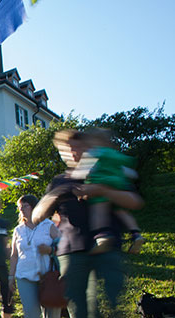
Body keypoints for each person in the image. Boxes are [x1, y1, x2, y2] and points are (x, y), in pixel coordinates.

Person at [32, 129, 144, 318]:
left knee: (113, 302)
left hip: (108, 249)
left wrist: (102, 190)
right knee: (78, 306)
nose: (73, 152)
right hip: (72, 252)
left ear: (88, 148)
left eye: (78, 147)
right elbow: (36, 216)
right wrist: (53, 197)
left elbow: (135, 202)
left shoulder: (104, 170)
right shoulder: (59, 181)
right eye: (67, 149)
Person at [72, 128, 144, 254]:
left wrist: (79, 181)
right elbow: (128, 169)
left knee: (98, 210)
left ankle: (103, 235)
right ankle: (136, 233)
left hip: (101, 183)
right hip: (119, 185)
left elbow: (83, 171)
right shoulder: (114, 154)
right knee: (121, 211)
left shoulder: (94, 153)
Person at [9, 195, 61, 318]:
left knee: (52, 313)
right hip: (24, 276)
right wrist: (11, 276)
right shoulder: (18, 230)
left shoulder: (48, 225)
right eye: (19, 207)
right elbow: (14, 255)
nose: (21, 210)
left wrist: (50, 250)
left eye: (25, 206)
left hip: (48, 275)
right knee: (31, 314)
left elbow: (64, 247)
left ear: (35, 207)